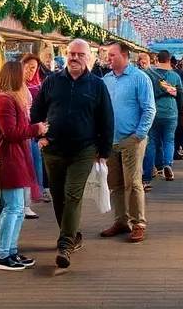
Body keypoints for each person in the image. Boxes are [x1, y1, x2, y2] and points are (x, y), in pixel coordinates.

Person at [30, 38, 115, 269]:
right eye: (71, 53)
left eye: (80, 54)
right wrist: (39, 136)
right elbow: (37, 110)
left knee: (72, 194)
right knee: (58, 196)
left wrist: (104, 149)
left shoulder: (97, 85)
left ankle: (65, 244)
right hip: (53, 149)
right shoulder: (52, 81)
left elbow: (106, 119)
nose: (74, 58)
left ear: (89, 58)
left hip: (83, 150)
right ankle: (72, 235)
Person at [0, 59, 47, 271]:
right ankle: (2, 254)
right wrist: (36, 129)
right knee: (13, 207)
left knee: (18, 208)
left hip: (16, 158)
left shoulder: (8, 98)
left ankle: (10, 251)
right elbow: (10, 132)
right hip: (9, 159)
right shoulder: (4, 100)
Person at [100, 41, 155, 243]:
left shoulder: (139, 78)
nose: (108, 58)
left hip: (132, 139)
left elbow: (149, 109)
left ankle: (138, 222)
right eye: (108, 55)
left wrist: (139, 134)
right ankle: (121, 220)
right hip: (111, 140)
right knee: (115, 183)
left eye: (112, 55)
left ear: (125, 56)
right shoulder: (106, 80)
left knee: (133, 183)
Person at [142, 50, 183, 187]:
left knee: (151, 142)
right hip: (171, 111)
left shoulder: (149, 74)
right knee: (168, 140)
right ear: (169, 60)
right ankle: (167, 164)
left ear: (157, 59)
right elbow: (181, 96)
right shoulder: (175, 76)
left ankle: (147, 176)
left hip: (154, 111)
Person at [22, 54, 49, 205]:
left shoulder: (37, 86)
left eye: (34, 68)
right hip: (24, 131)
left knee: (36, 160)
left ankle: (37, 191)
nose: (30, 71)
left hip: (33, 131)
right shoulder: (17, 87)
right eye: (28, 67)